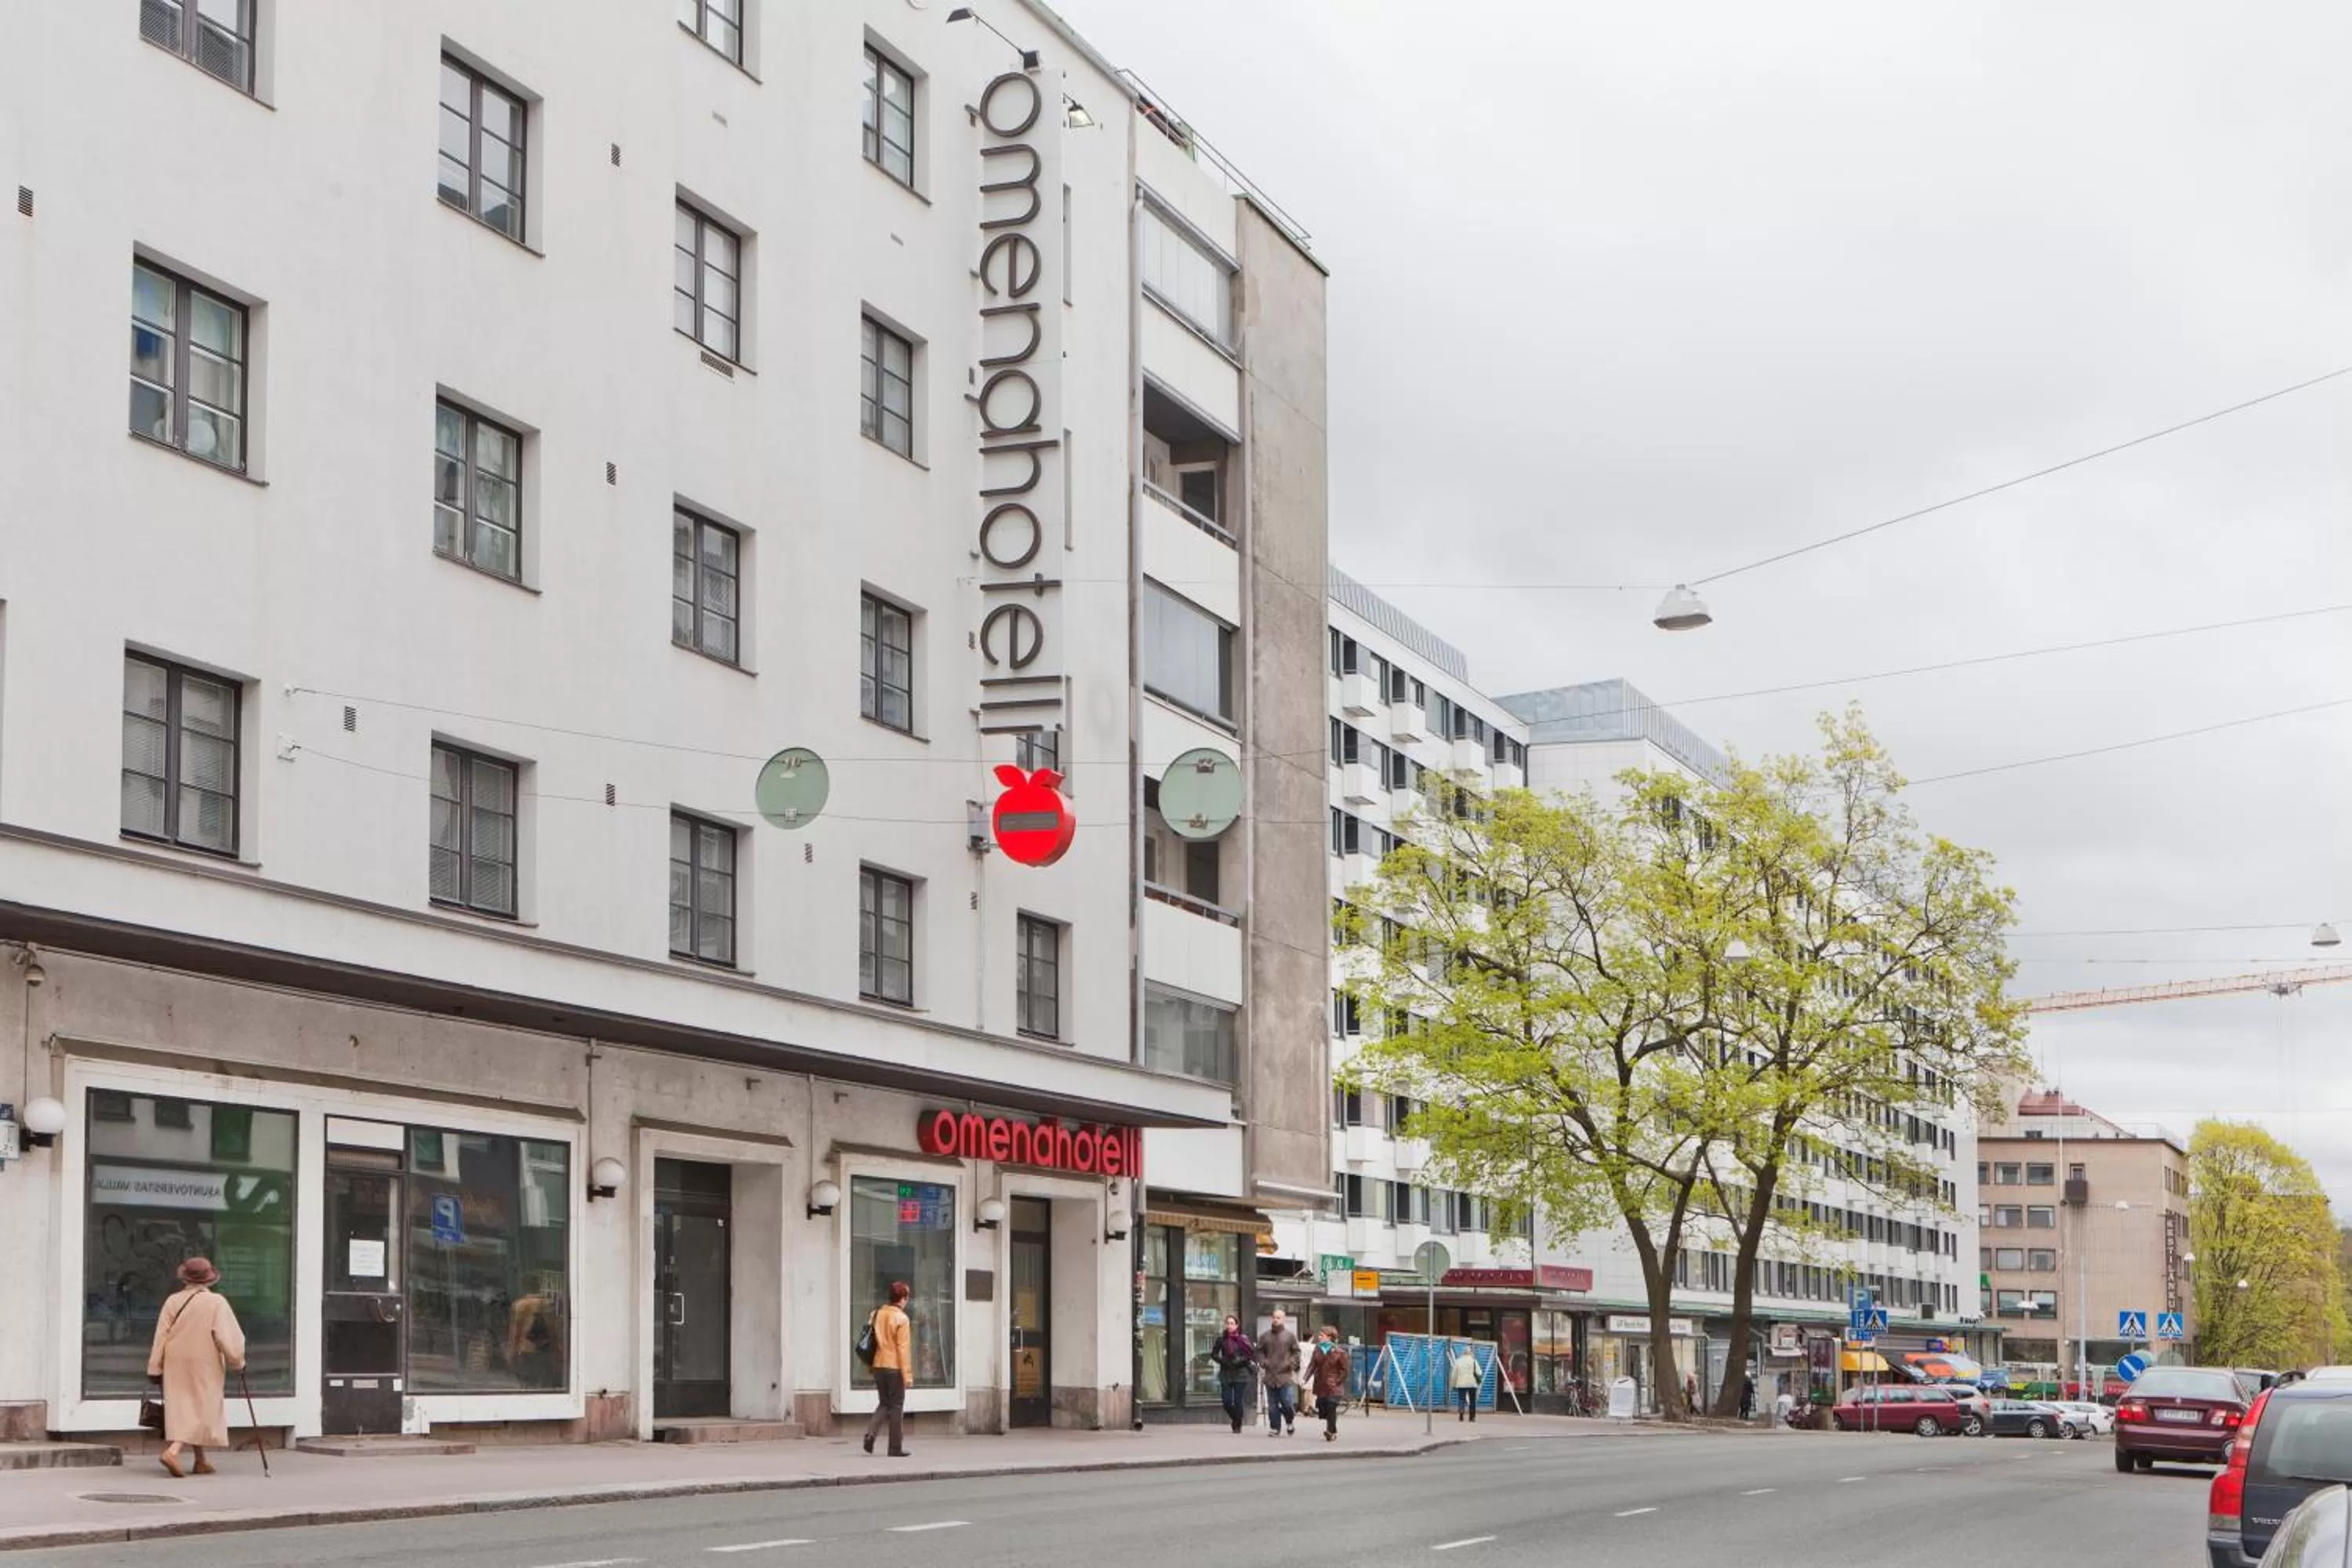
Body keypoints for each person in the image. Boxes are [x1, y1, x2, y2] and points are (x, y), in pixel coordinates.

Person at [146, 1257, 246, 1479]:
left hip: (175, 1360)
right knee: (203, 1406)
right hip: (204, 1361)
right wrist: (237, 1362)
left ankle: (200, 1460)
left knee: (184, 1405)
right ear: (210, 1279)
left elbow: (161, 1335)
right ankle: (173, 1451)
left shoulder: (172, 1301)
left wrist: (155, 1366)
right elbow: (227, 1337)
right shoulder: (216, 1302)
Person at [862, 1281, 913, 1458]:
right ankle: (895, 1447)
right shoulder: (902, 1319)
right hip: (894, 1367)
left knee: (884, 1402)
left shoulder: (876, 1314)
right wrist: (907, 1376)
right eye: (907, 1297)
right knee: (897, 1405)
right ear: (903, 1298)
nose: (907, 1301)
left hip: (878, 1365)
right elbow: (903, 1349)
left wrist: (871, 1366)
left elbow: (871, 1343)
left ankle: (870, 1435)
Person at [1254, 1308, 1302, 1436]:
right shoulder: (1265, 1336)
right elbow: (1259, 1351)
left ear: (1284, 1319)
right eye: (1274, 1317)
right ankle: (1275, 1428)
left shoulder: (1290, 1336)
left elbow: (1297, 1352)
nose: (1276, 1320)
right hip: (1270, 1375)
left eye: (1279, 1318)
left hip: (1285, 1375)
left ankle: (1289, 1421)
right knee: (1272, 1405)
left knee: (1287, 1403)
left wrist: (1291, 1364)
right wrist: (1263, 1361)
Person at [1209, 1314, 1257, 1434]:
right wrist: (1222, 1360)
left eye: (1232, 1323)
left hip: (1241, 1373)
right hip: (1226, 1372)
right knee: (1226, 1401)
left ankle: (1237, 1425)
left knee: (1238, 1401)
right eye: (1228, 1323)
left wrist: (1240, 1360)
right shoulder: (1222, 1339)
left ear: (1237, 1325)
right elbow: (1214, 1354)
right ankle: (1236, 1419)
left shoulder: (1243, 1339)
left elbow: (1250, 1354)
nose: (1229, 1326)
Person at [1305, 1327, 1352, 1442]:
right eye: (1319, 1335)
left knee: (1331, 1405)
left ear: (1329, 1337)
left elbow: (1345, 1370)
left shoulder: (1339, 1352)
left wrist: (1338, 1382)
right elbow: (1312, 1365)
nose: (1319, 1337)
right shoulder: (1317, 1349)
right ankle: (1332, 1430)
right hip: (1321, 1385)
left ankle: (1330, 1432)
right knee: (1324, 1408)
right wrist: (1305, 1378)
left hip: (1334, 1385)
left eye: (1322, 1335)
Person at [1450, 1342, 1482, 1422]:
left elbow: (1454, 1374)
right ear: (1470, 1352)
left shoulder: (1458, 1361)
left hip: (1461, 1383)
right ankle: (1472, 1417)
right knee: (1472, 1400)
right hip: (1472, 1383)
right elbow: (1479, 1372)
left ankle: (1461, 1414)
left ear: (1463, 1353)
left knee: (1461, 1399)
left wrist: (1453, 1384)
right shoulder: (1474, 1361)